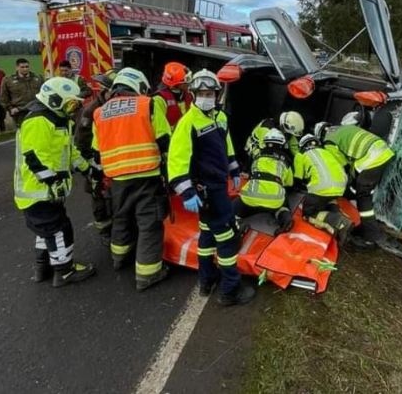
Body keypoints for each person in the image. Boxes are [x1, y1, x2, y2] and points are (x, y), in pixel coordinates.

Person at [168, 69, 254, 306]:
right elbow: (177, 160)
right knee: (227, 237)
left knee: (207, 233)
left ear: (217, 94)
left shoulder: (220, 117)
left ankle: (207, 280)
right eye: (202, 93)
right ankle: (230, 290)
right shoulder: (188, 123)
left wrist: (234, 168)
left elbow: (225, 144)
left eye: (211, 93)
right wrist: (186, 191)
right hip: (206, 189)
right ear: (194, 94)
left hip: (218, 184)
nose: (207, 96)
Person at [92, 68, 172, 291]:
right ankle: (148, 274)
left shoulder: (100, 112)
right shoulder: (148, 104)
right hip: (147, 175)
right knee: (149, 224)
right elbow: (165, 141)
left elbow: (96, 152)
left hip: (117, 179)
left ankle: (119, 258)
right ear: (138, 86)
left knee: (121, 218)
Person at [14, 77, 98, 287]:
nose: (73, 108)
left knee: (46, 230)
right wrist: (53, 182)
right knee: (59, 229)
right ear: (53, 100)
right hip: (39, 192)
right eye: (70, 103)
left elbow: (69, 152)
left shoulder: (58, 120)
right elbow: (34, 158)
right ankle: (64, 271)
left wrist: (88, 168)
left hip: (45, 192)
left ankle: (42, 267)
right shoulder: (38, 120)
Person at [313, 119, 395, 247]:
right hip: (383, 151)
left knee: (363, 195)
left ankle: (372, 236)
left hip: (372, 158)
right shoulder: (343, 129)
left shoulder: (329, 141)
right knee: (359, 188)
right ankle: (366, 225)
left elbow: (342, 167)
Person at [74, 70, 117, 242]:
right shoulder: (91, 110)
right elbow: (81, 142)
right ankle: (105, 231)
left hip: (114, 161)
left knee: (115, 197)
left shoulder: (115, 106)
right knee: (99, 196)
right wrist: (90, 167)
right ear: (105, 91)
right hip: (96, 162)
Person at [293, 134, 353, 243]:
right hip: (341, 185)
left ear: (302, 146)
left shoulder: (300, 154)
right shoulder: (327, 151)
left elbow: (297, 178)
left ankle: (339, 221)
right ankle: (338, 215)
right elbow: (344, 163)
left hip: (321, 187)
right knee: (328, 198)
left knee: (309, 214)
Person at [234, 128, 294, 234]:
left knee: (232, 209)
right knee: (283, 201)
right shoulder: (286, 160)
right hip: (274, 201)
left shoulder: (257, 156)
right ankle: (284, 218)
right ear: (282, 144)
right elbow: (290, 183)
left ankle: (238, 224)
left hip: (251, 198)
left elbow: (252, 173)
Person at [0, 58, 44, 128]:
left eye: (27, 67)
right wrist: (10, 109)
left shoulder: (38, 78)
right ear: (17, 67)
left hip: (37, 109)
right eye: (22, 67)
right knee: (23, 132)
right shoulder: (8, 80)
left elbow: (44, 93)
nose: (25, 69)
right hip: (19, 111)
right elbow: (4, 98)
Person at [152, 61, 193, 131]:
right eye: (186, 80)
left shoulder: (189, 95)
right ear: (174, 84)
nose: (188, 83)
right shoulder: (159, 99)